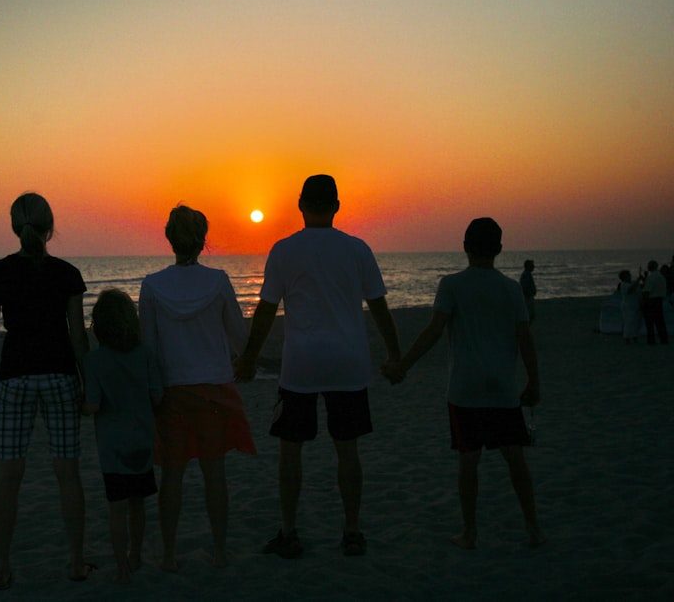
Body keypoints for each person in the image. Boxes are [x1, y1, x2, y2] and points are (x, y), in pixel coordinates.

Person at [234, 174, 401, 558]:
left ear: (300, 204)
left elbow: (266, 310)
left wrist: (249, 358)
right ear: (337, 206)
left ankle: (290, 532)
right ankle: (352, 531)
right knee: (347, 450)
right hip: (348, 362)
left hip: (301, 364)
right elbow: (378, 307)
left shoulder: (283, 249)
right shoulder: (358, 249)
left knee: (291, 449)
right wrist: (394, 354)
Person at [383, 217, 545, 549]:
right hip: (502, 387)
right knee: (515, 459)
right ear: (499, 249)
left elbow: (433, 331)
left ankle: (470, 531)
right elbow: (525, 339)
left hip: (465, 389)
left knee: (468, 462)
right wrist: (534, 382)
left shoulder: (452, 285)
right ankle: (533, 527)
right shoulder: (512, 289)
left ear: (464, 247)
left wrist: (404, 366)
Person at [0, 192, 94, 590]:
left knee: (9, 475)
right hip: (60, 377)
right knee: (67, 473)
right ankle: (76, 562)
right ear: (49, 227)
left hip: (14, 378)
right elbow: (78, 337)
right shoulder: (66, 274)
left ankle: (3, 566)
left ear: (14, 227)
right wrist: (87, 381)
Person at [139, 205, 257, 572]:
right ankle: (219, 550)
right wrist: (245, 361)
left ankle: (170, 555)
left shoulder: (152, 286)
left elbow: (149, 347)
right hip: (214, 388)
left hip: (173, 390)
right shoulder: (218, 281)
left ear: (169, 239)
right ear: (202, 240)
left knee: (172, 475)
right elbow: (239, 336)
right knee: (214, 474)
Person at [82, 289, 163, 584]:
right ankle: (136, 555)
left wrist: (79, 405)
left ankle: (121, 566)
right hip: (142, 441)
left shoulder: (94, 361)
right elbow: (157, 397)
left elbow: (92, 405)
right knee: (138, 504)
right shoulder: (145, 355)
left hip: (112, 448)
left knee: (116, 508)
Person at [641, 260, 669, 345]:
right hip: (659, 300)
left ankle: (651, 340)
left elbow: (647, 291)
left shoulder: (651, 277)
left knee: (649, 322)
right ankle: (663, 339)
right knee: (660, 321)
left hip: (651, 301)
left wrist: (643, 302)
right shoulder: (661, 277)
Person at [618, 269, 642, 344]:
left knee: (636, 322)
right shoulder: (623, 284)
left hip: (635, 305)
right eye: (628, 275)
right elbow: (630, 290)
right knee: (629, 322)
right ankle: (627, 338)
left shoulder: (631, 283)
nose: (629, 276)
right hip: (628, 306)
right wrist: (638, 280)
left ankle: (635, 337)